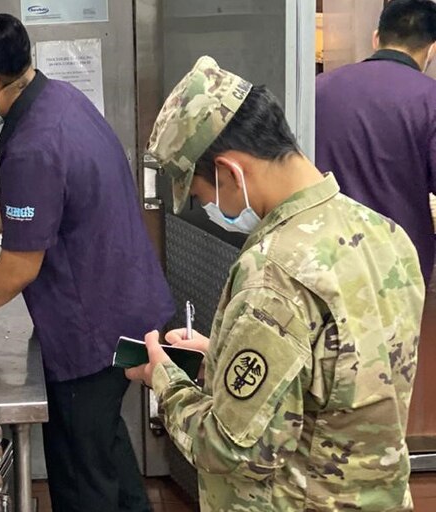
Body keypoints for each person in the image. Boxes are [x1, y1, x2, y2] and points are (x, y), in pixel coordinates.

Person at [126, 56, 425, 511]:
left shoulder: (273, 271)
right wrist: (221, 358)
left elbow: (233, 449)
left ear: (230, 171)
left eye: (204, 195)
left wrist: (163, 379)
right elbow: (335, 379)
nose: (211, 208)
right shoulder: (385, 234)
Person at [0, 13, 175, 511]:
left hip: (92, 331)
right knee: (103, 445)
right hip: (129, 310)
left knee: (83, 472)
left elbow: (20, 267)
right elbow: (46, 202)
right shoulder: (60, 99)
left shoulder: (32, 144)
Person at [316, 0, 436, 285]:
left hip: (324, 253)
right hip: (397, 265)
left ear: (376, 37)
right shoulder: (430, 100)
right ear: (432, 48)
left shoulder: (318, 88)